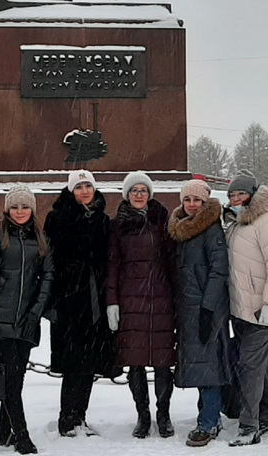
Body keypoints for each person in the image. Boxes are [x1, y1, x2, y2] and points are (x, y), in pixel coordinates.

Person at [0, 185, 55, 454]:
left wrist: (36, 311)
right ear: (7, 209)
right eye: (14, 206)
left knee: (16, 378)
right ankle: (21, 435)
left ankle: (3, 432)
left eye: (24, 207)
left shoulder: (41, 239)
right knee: (11, 378)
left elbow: (47, 277)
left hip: (27, 320)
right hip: (1, 320)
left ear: (32, 209)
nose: (19, 211)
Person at [43, 169, 117, 437]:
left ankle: (80, 416)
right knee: (72, 361)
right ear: (71, 191)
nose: (84, 191)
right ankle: (66, 418)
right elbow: (49, 258)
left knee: (89, 363)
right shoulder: (57, 218)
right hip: (69, 299)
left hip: (94, 299)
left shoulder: (103, 219)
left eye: (88, 186)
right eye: (79, 187)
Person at [223, 173, 268, 447]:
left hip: (262, 308)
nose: (236, 199)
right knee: (259, 364)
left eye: (240, 194)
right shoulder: (236, 223)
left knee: (249, 365)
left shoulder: (267, 222)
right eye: (232, 195)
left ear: (252, 194)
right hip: (241, 308)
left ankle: (249, 425)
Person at [106, 171, 176, 439]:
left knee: (162, 362)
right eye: (134, 190)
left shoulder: (162, 222)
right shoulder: (118, 226)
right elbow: (112, 265)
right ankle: (143, 415)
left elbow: (172, 263)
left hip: (161, 300)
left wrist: (177, 297)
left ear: (149, 194)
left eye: (143, 190)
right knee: (135, 362)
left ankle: (163, 414)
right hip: (131, 300)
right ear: (127, 195)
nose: (139, 195)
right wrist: (112, 302)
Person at [168, 179, 231, 448]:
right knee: (200, 363)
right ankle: (207, 414)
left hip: (205, 307)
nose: (192, 205)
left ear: (205, 203)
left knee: (208, 364)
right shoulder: (181, 229)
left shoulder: (210, 229)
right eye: (187, 200)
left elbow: (218, 270)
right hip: (187, 307)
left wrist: (208, 307)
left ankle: (209, 421)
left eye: (197, 200)